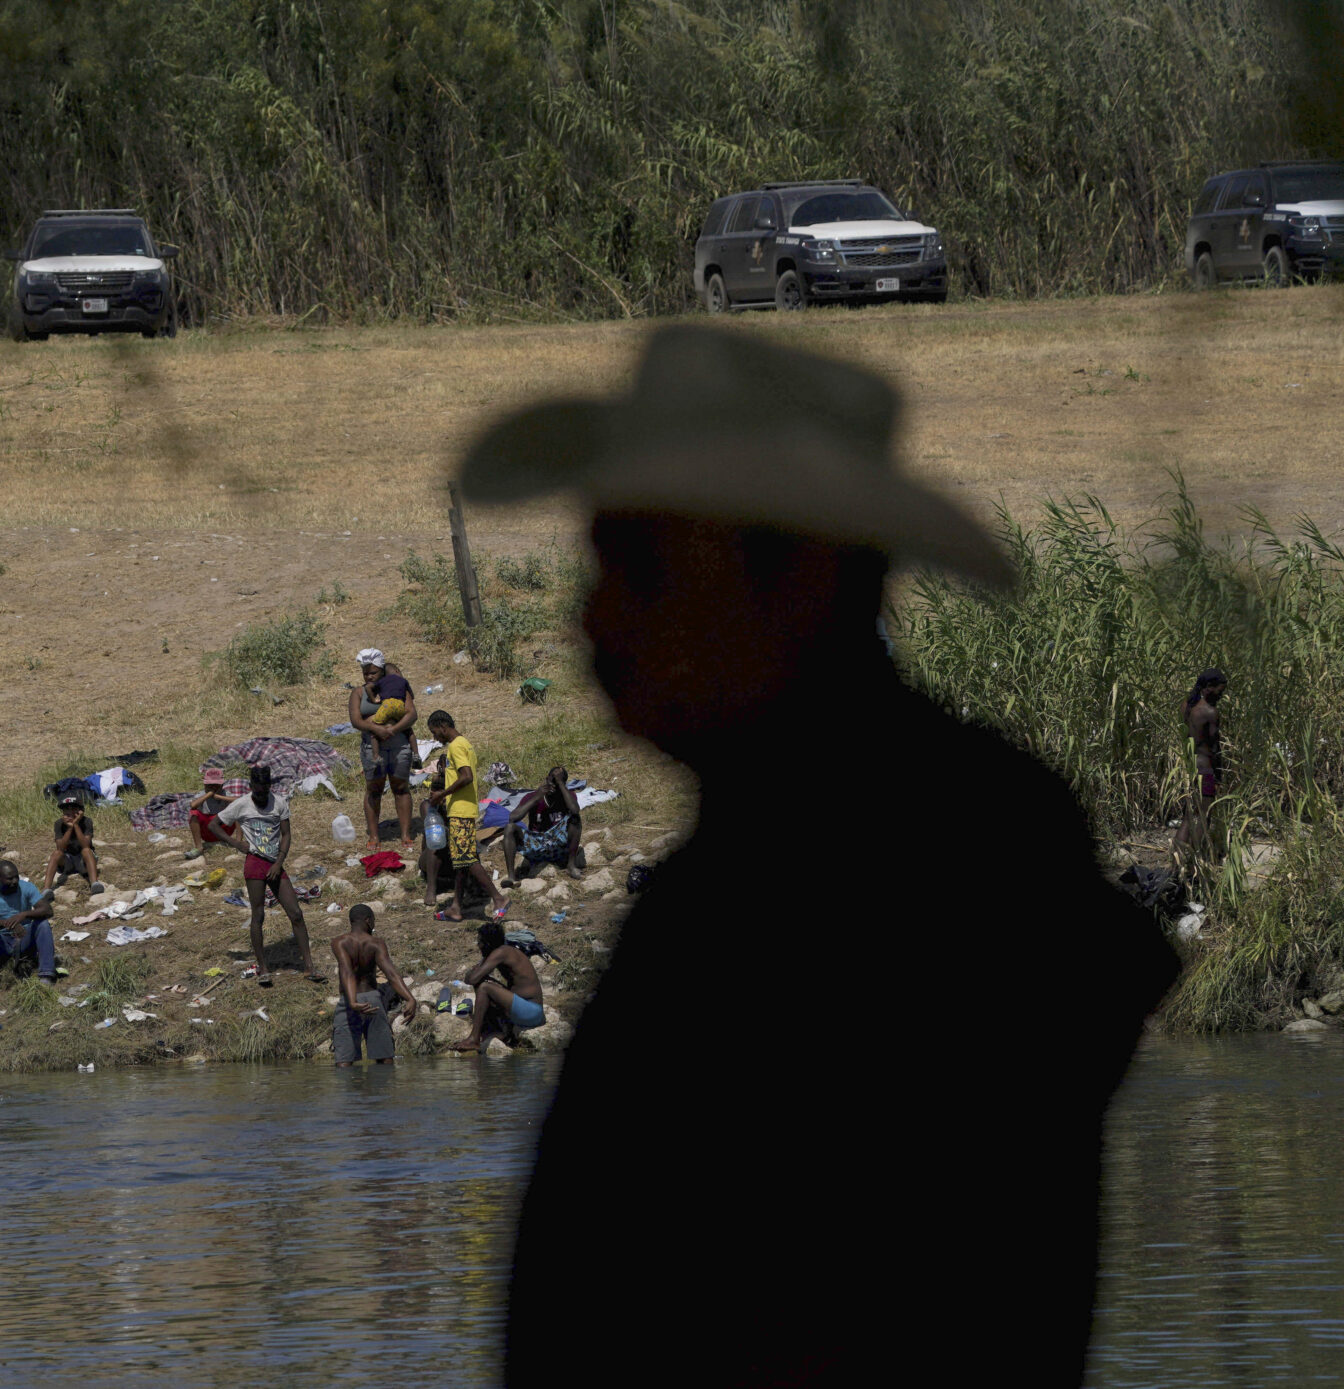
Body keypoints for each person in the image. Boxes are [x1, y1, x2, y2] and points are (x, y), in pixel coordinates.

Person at [458, 323, 1177, 1382]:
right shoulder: (767, 859)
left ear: (794, 577)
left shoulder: (934, 868)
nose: (593, 616)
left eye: (640, 568)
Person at [216, 764, 319, 986]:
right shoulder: (241, 804)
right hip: (254, 863)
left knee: (296, 913)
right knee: (259, 915)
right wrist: (235, 843)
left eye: (265, 790)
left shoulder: (279, 803)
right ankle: (263, 967)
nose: (261, 795)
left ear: (269, 786)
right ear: (251, 786)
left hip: (275, 863)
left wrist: (279, 862)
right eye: (257, 791)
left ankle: (309, 966)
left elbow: (286, 834)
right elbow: (215, 825)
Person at [421, 711, 508, 920]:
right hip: (463, 808)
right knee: (460, 860)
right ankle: (456, 907)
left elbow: (466, 776)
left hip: (461, 810)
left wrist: (443, 793)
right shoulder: (465, 744)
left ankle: (498, 898)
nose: (435, 738)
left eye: (435, 732)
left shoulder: (456, 745)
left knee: (466, 858)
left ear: (443, 726)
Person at [348, 647, 418, 853]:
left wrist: (393, 729)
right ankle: (374, 835)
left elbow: (412, 714)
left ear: (383, 673)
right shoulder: (358, 693)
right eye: (365, 673)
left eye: (373, 673)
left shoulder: (397, 689)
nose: (369, 676)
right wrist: (376, 728)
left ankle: (405, 835)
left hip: (399, 745)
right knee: (374, 789)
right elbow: (355, 721)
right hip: (372, 747)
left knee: (400, 787)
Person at [330, 904, 417, 1066]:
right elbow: (391, 974)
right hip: (372, 1001)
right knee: (384, 1058)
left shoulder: (339, 942)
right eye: (374, 920)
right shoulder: (376, 943)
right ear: (368, 920)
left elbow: (346, 972)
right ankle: (383, 1090)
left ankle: (349, 1091)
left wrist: (353, 1002)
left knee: (344, 1062)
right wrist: (410, 998)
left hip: (349, 1001)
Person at [447, 921, 545, 1054]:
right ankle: (499, 1030)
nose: (478, 945)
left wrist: (475, 970)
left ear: (488, 944)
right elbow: (472, 979)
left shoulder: (502, 952)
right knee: (482, 983)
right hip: (524, 1009)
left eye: (480, 941)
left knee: (485, 987)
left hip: (532, 1012)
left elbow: (472, 978)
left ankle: (474, 1039)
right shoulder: (498, 951)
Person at [0, 859, 56, 1005]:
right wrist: (9, 924)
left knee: (42, 924)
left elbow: (47, 910)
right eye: (9, 878)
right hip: (3, 942)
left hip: (24, 938)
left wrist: (23, 915)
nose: (14, 881)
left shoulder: (26, 887)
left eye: (16, 877)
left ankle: (46, 975)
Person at [1178, 667, 1229, 861]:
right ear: (1209, 687)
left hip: (1189, 766)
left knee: (1188, 815)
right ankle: (1196, 862)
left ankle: (1178, 858)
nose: (1221, 695)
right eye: (1220, 691)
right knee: (1204, 815)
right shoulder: (1210, 712)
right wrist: (1219, 775)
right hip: (1206, 769)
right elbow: (1215, 748)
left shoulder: (1186, 706)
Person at [501, 767, 586, 882]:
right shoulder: (534, 796)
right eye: (551, 782)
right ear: (546, 780)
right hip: (537, 845)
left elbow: (575, 810)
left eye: (557, 783)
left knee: (575, 818)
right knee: (509, 828)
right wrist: (537, 797)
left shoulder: (568, 796)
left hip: (558, 845)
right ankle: (511, 877)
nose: (553, 787)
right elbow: (513, 818)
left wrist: (560, 783)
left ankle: (571, 865)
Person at [46, 796, 103, 893]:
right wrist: (69, 829)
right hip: (68, 860)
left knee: (86, 851)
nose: (70, 812)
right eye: (66, 809)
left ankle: (94, 883)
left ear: (80, 811)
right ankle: (46, 889)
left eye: (73, 808)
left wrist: (76, 825)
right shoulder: (59, 824)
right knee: (56, 853)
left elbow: (86, 845)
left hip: (83, 860)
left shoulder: (86, 821)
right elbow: (60, 848)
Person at [184, 767, 241, 860]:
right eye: (209, 786)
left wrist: (220, 797)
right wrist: (208, 795)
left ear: (222, 785)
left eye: (215, 786)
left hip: (223, 829)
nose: (212, 788)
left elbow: (240, 801)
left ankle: (239, 844)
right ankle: (199, 847)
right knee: (194, 813)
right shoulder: (202, 794)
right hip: (208, 831)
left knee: (238, 810)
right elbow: (193, 805)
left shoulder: (225, 794)